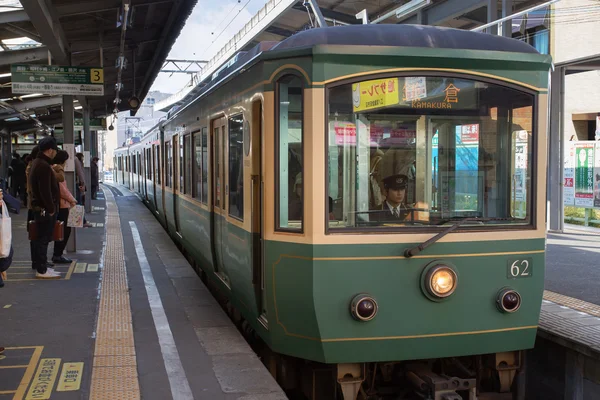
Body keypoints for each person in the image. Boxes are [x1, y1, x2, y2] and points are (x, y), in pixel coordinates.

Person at [29, 137, 60, 278]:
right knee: (44, 238)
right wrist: (51, 207)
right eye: (54, 150)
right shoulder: (43, 166)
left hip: (40, 208)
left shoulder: (37, 163)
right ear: (49, 150)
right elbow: (45, 190)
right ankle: (42, 270)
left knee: (42, 238)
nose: (55, 153)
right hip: (44, 209)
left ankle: (43, 267)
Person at [51, 150, 76, 264]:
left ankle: (57, 254)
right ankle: (57, 254)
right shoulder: (57, 169)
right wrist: (72, 200)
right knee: (64, 230)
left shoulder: (53, 168)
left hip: (60, 204)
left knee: (62, 229)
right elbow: (62, 190)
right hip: (62, 205)